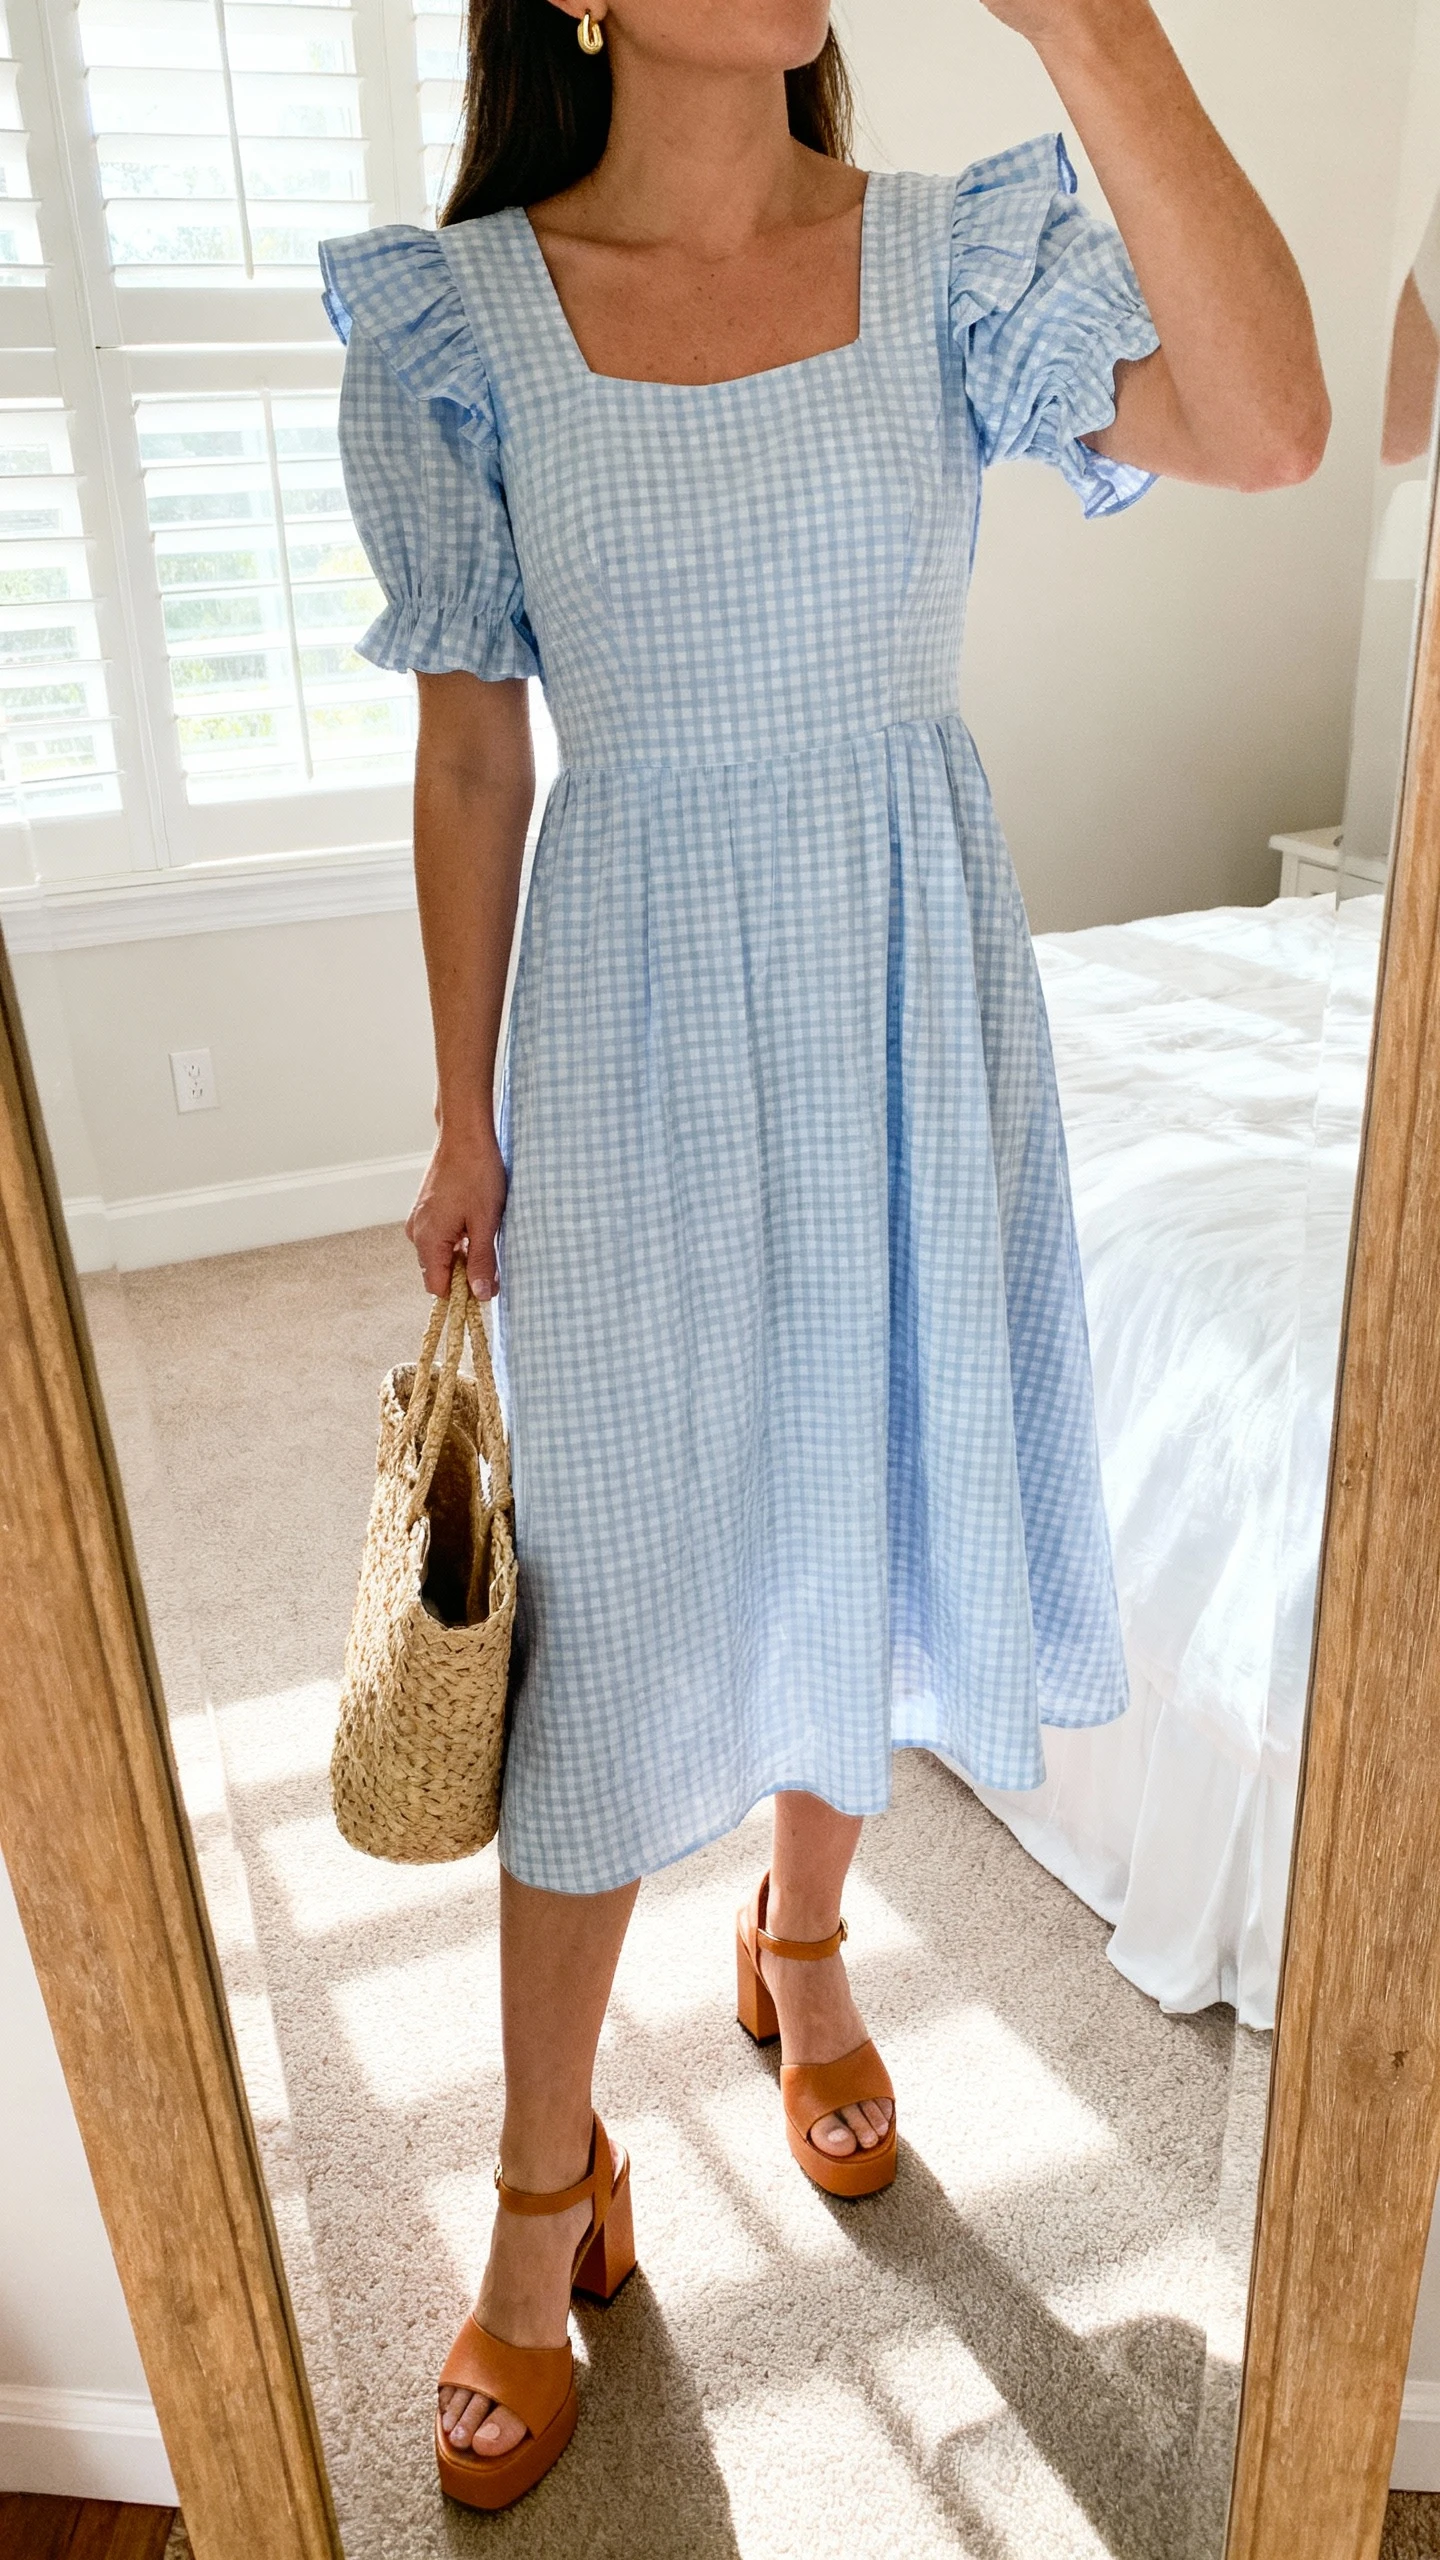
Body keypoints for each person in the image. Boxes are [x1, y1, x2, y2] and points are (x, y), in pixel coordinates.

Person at [321, 0, 1326, 2511]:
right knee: (612, 1610)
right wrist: (457, 1103)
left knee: (856, 1490)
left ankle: (797, 1944)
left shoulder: (951, 262)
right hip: (633, 1010)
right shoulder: (472, 322)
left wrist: (1095, 30)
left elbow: (1274, 423)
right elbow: (473, 743)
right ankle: (543, 2178)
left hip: (906, 980)